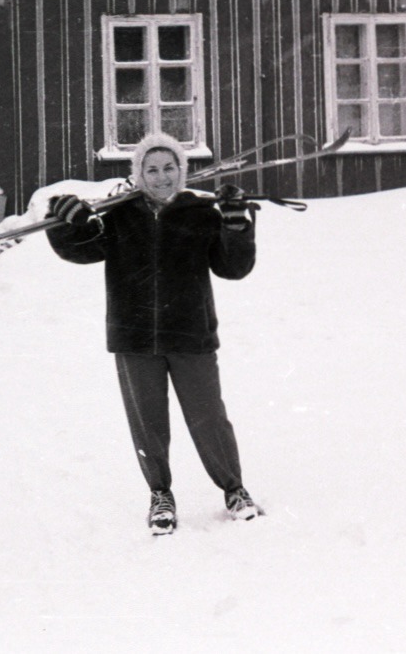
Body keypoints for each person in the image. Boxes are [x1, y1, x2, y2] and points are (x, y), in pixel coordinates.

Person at [45, 131, 262, 534]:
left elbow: (233, 268)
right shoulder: (119, 216)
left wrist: (235, 225)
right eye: (152, 169)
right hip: (134, 336)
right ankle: (160, 494)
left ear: (182, 171)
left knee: (209, 417)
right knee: (147, 422)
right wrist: (63, 221)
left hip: (191, 334)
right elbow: (79, 249)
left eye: (169, 168)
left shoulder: (200, 213)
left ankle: (234, 489)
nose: (161, 177)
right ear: (139, 174)